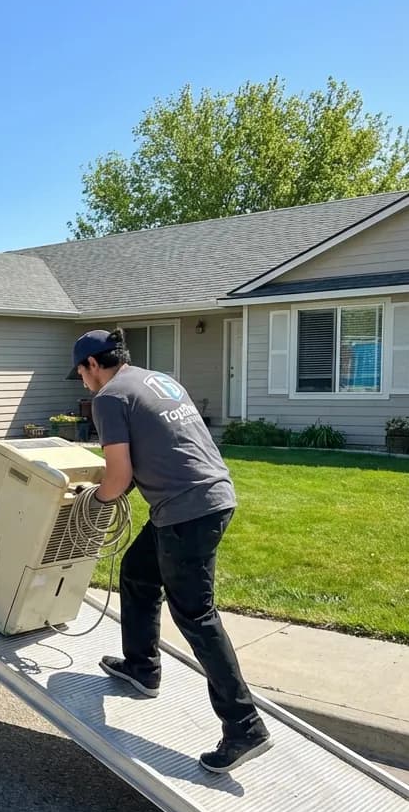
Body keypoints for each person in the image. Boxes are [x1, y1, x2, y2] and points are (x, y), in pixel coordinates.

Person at [67, 328, 271, 774]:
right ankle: (142, 667)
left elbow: (118, 477)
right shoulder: (156, 380)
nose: (82, 381)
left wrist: (91, 501)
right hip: (209, 497)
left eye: (80, 373)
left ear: (92, 365)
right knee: (138, 572)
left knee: (196, 615)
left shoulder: (110, 398)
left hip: (186, 511)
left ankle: (244, 726)